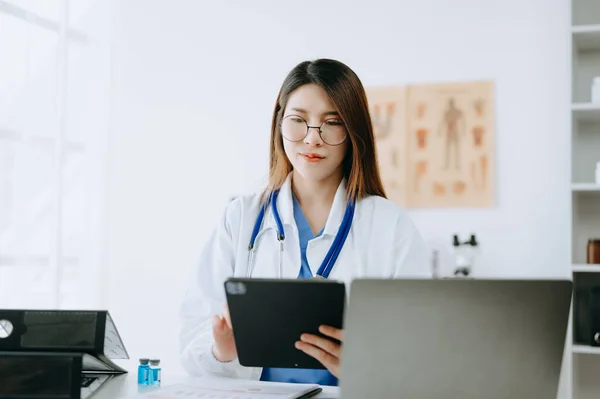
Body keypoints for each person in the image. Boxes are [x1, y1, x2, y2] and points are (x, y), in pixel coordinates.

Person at [179, 58, 429, 386]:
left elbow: (422, 352)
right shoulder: (241, 218)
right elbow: (193, 339)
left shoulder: (390, 226)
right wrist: (223, 351)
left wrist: (367, 365)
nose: (312, 139)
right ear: (279, 124)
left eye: (332, 122)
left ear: (354, 131)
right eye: (298, 120)